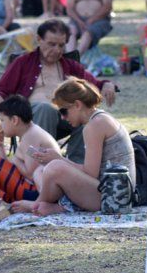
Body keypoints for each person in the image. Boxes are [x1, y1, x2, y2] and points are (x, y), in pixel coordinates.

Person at [0, 20, 117, 161]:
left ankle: (77, 165)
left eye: (61, 45)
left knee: (90, 116)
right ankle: (40, 163)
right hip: (30, 120)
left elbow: (95, 84)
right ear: (39, 39)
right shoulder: (23, 62)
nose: (57, 50)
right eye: (51, 44)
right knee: (46, 108)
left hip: (66, 118)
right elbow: (0, 89)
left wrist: (107, 85)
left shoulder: (70, 66)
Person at [28, 77, 135, 216]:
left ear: (77, 105)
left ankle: (35, 205)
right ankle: (53, 206)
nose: (63, 118)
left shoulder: (95, 125)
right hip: (116, 194)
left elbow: (90, 173)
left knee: (55, 167)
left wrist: (58, 158)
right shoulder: (100, 119)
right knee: (41, 170)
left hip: (113, 199)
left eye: (63, 111)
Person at [0, 95, 60, 208]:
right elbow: (5, 170)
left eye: (2, 120)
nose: (0, 124)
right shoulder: (29, 133)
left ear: (15, 120)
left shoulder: (31, 136)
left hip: (37, 193)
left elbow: (31, 174)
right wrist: (0, 145)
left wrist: (15, 160)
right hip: (33, 190)